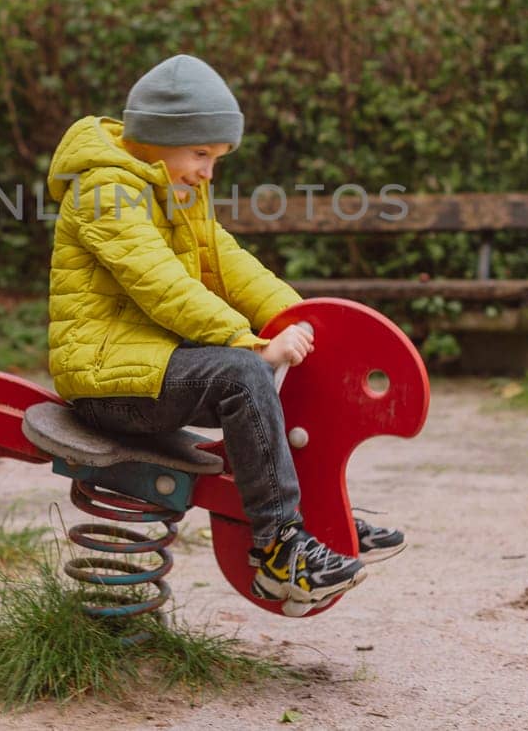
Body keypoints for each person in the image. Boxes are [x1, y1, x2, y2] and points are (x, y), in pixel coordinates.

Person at [44, 53, 404, 609]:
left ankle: (310, 515)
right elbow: (160, 284)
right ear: (160, 138)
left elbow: (229, 264)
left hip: (153, 365)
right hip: (106, 379)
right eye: (201, 153)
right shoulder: (103, 192)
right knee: (243, 373)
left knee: (272, 368)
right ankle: (280, 552)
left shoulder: (174, 186)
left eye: (216, 157)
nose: (209, 170)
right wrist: (252, 341)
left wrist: (296, 317)